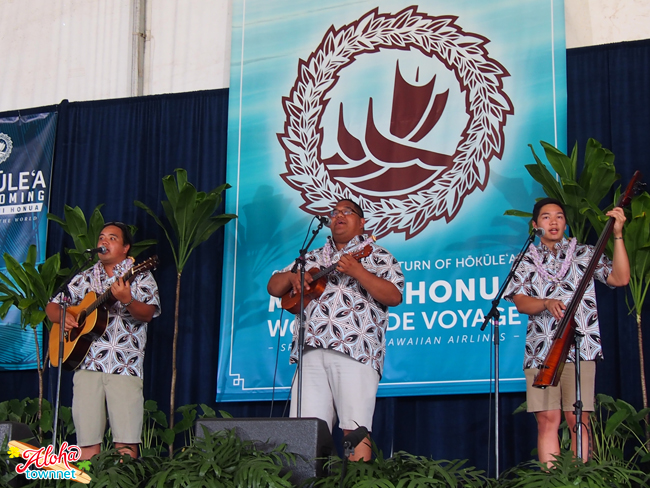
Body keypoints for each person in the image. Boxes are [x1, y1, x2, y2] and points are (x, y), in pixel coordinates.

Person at [267, 199, 404, 461]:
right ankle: (309, 478)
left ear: (362, 222)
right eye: (335, 212)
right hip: (310, 351)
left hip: (355, 350)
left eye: (347, 211)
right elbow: (274, 286)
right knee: (305, 432)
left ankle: (357, 479)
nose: (339, 215)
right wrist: (293, 277)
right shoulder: (311, 257)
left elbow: (394, 296)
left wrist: (358, 272)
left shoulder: (378, 255)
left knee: (355, 428)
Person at [505, 198, 629, 467]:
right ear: (535, 225)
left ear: (565, 222)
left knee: (578, 418)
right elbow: (521, 302)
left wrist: (617, 236)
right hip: (541, 351)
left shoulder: (585, 253)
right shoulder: (524, 260)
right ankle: (552, 481)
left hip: (581, 347)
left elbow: (620, 278)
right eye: (546, 217)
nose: (553, 221)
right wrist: (546, 303)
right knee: (547, 419)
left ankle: (580, 479)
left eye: (559, 216)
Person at [46, 222, 161, 460]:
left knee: (125, 443)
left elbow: (148, 313)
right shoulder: (84, 276)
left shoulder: (140, 274)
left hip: (124, 365)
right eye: (101, 237)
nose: (104, 241)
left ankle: (122, 478)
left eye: (112, 238)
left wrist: (127, 300)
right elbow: (52, 307)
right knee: (87, 442)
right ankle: (89, 479)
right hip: (86, 364)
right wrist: (64, 316)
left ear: (126, 248)